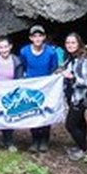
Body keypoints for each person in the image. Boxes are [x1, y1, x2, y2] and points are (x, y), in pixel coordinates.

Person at [20, 24, 60, 153]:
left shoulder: (51, 52)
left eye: (40, 36)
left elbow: (53, 68)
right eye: (34, 36)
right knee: (33, 111)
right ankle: (35, 139)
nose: (37, 38)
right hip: (31, 85)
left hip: (46, 86)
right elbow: (24, 66)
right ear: (30, 38)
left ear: (44, 37)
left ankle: (44, 140)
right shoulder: (24, 51)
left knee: (45, 111)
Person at [61, 32, 87, 161]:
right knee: (80, 121)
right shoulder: (71, 58)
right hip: (72, 96)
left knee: (70, 125)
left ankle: (84, 148)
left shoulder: (83, 60)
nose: (70, 45)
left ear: (79, 43)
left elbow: (85, 82)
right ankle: (80, 146)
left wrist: (71, 77)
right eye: (68, 43)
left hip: (79, 98)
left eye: (73, 43)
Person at [0, 36, 24, 151]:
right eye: (1, 47)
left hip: (11, 93)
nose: (4, 50)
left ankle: (8, 140)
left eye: (6, 47)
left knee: (9, 115)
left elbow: (19, 78)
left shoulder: (17, 61)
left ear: (10, 46)